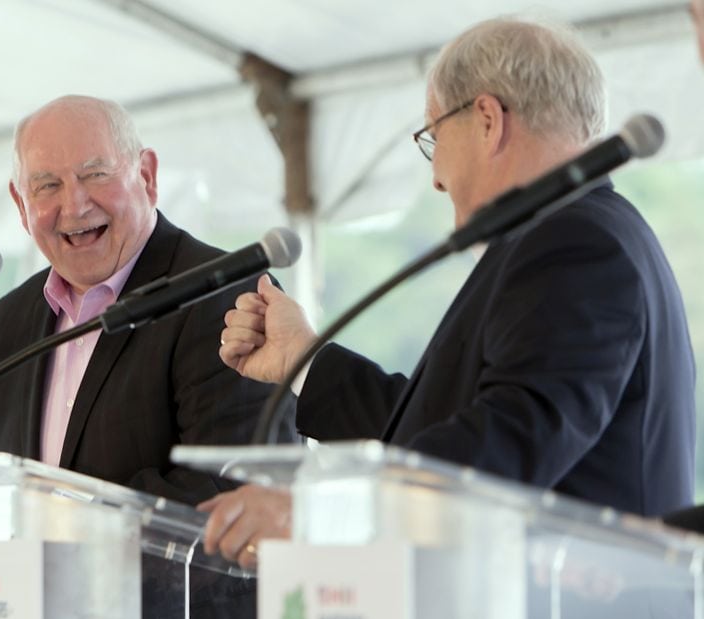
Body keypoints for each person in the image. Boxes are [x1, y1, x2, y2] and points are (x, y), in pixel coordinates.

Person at [200, 17, 696, 569]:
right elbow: (452, 426)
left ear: (487, 120)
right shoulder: (578, 231)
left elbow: (504, 446)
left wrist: (314, 512)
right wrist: (303, 361)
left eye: (434, 136)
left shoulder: (573, 242)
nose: (435, 176)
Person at [0, 95, 296, 619]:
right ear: (20, 204)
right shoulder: (14, 318)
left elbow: (228, 492)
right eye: (45, 185)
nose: (73, 206)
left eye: (95, 175)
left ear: (146, 175)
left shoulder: (223, 291)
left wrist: (56, 533)